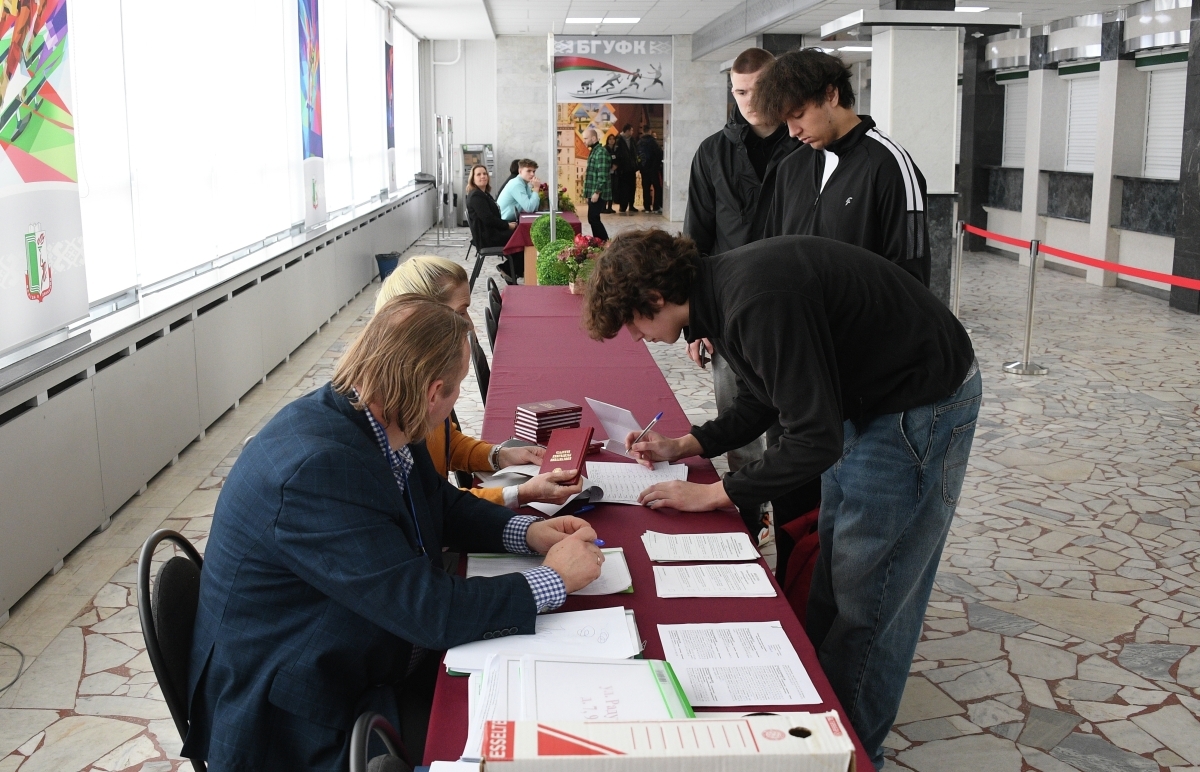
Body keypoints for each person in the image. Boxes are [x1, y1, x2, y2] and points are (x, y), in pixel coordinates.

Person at [581, 229, 980, 772]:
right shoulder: (721, 294)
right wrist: (688, 444)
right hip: (869, 400)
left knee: (871, 601)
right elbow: (763, 397)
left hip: (918, 403)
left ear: (655, 298)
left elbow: (815, 438)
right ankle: (820, 732)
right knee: (834, 576)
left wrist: (715, 493)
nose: (636, 337)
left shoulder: (753, 300)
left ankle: (853, 757)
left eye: (632, 323)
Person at [185, 296, 605, 771]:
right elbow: (428, 610)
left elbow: (439, 503)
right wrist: (553, 579)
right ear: (433, 392)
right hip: (297, 716)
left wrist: (527, 533)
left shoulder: (381, 413)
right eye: (456, 389)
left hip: (352, 647)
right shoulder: (318, 470)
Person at [681, 47, 804, 545]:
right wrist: (696, 324)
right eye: (738, 91)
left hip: (793, 308)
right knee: (740, 421)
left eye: (756, 90)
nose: (748, 101)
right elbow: (696, 237)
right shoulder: (712, 152)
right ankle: (749, 521)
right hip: (727, 313)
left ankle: (793, 525)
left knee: (790, 428)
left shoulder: (805, 146)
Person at [374, 256, 582, 508]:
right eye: (460, 312)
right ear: (424, 321)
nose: (470, 325)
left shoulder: (424, 377)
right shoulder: (392, 417)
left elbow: (446, 442)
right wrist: (520, 493)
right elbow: (434, 507)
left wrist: (499, 455)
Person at [756, 49, 931, 286]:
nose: (793, 132)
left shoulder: (888, 164)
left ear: (831, 94)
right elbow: (771, 253)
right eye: (785, 121)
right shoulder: (790, 168)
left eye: (798, 114)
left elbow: (910, 277)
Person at [465, 164, 516, 249]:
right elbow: (488, 219)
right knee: (520, 237)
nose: (483, 176)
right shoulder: (476, 196)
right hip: (488, 238)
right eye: (478, 174)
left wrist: (507, 224)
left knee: (519, 233)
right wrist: (507, 225)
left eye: (485, 174)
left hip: (492, 233)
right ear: (473, 179)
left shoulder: (484, 194)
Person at [582, 128, 611, 240]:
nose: (584, 141)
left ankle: (604, 242)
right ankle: (600, 242)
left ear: (594, 138)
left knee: (593, 218)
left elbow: (602, 175)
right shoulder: (594, 151)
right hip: (594, 192)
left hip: (599, 192)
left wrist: (597, 192)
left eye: (586, 138)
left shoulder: (601, 152)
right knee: (593, 218)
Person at [636, 131, 662, 213]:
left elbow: (637, 156)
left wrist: (640, 167)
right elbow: (659, 154)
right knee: (657, 187)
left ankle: (647, 207)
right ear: (650, 132)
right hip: (654, 170)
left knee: (646, 188)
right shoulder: (654, 142)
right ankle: (656, 207)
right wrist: (657, 166)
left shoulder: (639, 143)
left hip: (644, 170)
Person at [616, 124, 639, 213]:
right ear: (627, 131)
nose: (632, 132)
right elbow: (617, 153)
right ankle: (623, 206)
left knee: (632, 187)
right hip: (623, 169)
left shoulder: (632, 140)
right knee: (623, 188)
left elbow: (635, 152)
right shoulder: (619, 140)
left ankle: (631, 205)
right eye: (631, 130)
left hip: (631, 168)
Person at [604, 136, 620, 213]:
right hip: (607, 172)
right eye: (610, 139)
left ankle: (610, 207)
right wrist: (610, 166)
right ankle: (603, 207)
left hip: (614, 173)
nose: (612, 140)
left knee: (612, 189)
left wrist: (616, 165)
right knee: (606, 190)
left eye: (613, 139)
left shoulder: (616, 149)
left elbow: (618, 159)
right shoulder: (605, 149)